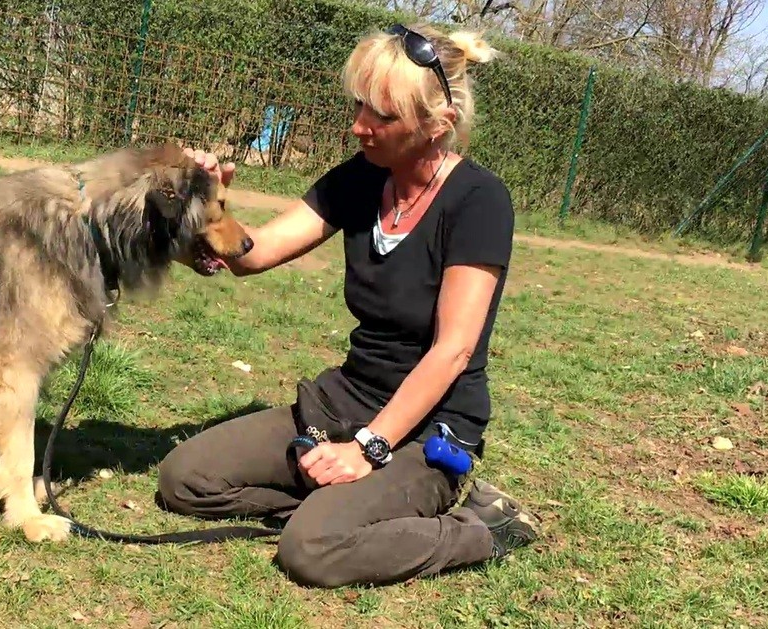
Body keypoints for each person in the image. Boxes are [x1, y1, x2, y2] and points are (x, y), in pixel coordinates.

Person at [155, 23, 541, 588]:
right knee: (183, 479)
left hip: (428, 424)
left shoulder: (480, 200)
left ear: (438, 126)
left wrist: (369, 448)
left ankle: (481, 527)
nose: (359, 125)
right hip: (345, 398)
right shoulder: (362, 179)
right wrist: (209, 206)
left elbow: (453, 350)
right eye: (360, 105)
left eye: (383, 116)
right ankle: (339, 510)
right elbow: (251, 257)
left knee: (310, 550)